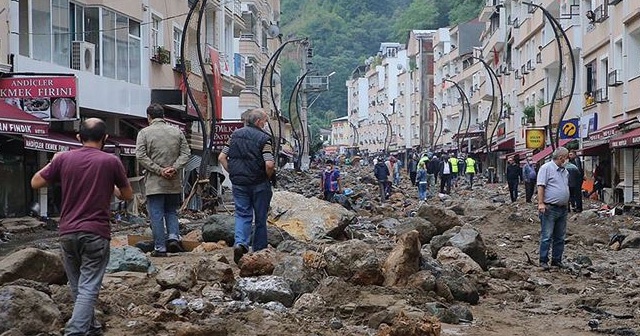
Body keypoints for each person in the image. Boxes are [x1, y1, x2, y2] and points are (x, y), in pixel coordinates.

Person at [31, 118, 133, 336]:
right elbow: (127, 195)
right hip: (96, 232)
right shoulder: (111, 161)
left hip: (67, 232)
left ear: (78, 138)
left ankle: (92, 328)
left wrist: (53, 161)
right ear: (105, 138)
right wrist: (113, 187)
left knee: (79, 286)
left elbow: (35, 182)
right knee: (88, 287)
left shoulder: (64, 159)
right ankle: (76, 331)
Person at [219, 108, 275, 264]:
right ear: (258, 122)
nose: (265, 124)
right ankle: (259, 250)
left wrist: (233, 173)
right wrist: (267, 176)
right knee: (260, 218)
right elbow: (269, 164)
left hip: (239, 183)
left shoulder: (234, 135)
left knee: (242, 214)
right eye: (265, 121)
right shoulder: (264, 139)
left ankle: (240, 243)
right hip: (259, 183)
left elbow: (222, 157)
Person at [136, 104, 191, 257]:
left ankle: (160, 247)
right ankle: (173, 237)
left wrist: (159, 170)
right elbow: (186, 153)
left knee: (156, 214)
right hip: (173, 181)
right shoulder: (177, 132)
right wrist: (174, 167)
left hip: (155, 182)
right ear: (163, 116)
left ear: (149, 117)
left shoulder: (144, 133)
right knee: (171, 211)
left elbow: (140, 156)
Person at [537, 147, 570, 270]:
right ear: (561, 157)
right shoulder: (546, 168)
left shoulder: (565, 171)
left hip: (562, 208)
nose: (567, 160)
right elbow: (541, 186)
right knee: (547, 236)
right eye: (566, 157)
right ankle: (543, 260)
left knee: (560, 237)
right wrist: (541, 203)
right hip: (550, 208)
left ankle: (556, 260)